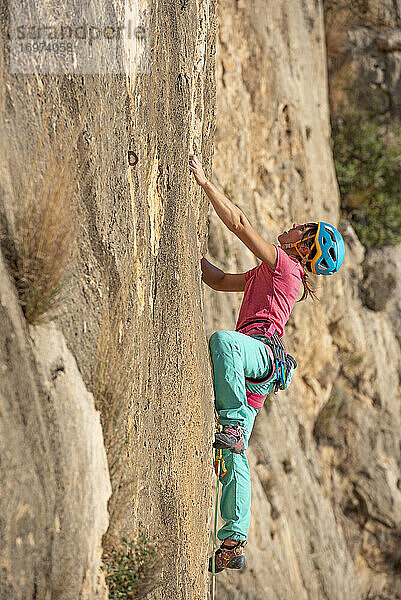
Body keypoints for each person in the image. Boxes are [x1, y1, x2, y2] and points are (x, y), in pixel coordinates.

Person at [189, 154, 345, 573]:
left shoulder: (286, 267)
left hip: (259, 353)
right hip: (256, 370)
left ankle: (234, 428)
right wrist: (187, 252)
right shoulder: (266, 272)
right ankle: (233, 540)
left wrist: (204, 183)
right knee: (232, 456)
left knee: (224, 342)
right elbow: (220, 281)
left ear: (302, 244)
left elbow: (240, 224)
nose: (292, 225)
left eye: (300, 227)